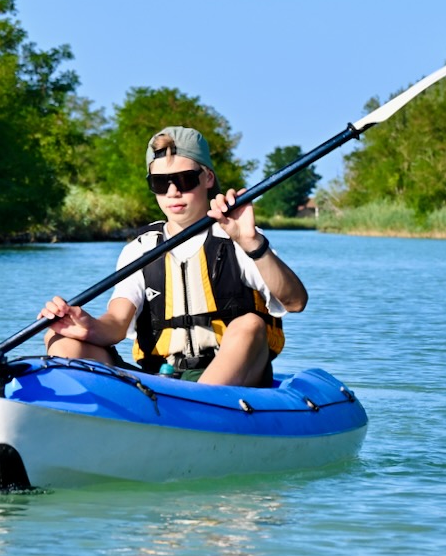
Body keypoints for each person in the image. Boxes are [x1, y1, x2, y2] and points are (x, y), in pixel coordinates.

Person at [39, 126, 308, 387]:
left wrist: (252, 242)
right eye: (160, 182)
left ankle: (198, 407)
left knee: (250, 325)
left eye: (184, 179)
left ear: (208, 178)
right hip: (162, 378)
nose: (172, 192)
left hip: (237, 373)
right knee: (60, 340)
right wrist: (87, 326)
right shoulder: (141, 248)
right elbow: (117, 324)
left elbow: (295, 302)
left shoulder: (239, 237)